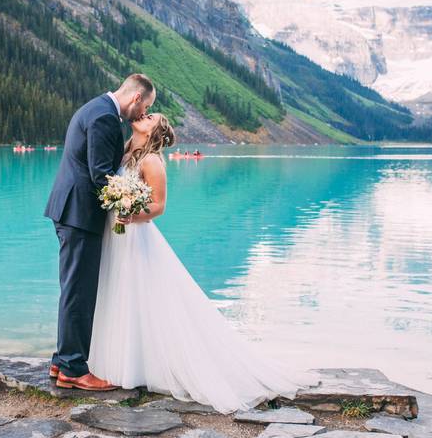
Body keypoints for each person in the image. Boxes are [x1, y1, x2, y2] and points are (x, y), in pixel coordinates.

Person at [87, 113, 320, 412]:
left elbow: (158, 206)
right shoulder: (127, 151)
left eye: (150, 117)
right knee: (119, 294)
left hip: (135, 236)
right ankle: (118, 361)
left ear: (155, 131)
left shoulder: (152, 162)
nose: (143, 116)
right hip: (117, 235)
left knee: (139, 296)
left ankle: (140, 367)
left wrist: (132, 215)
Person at [44, 74, 156, 390]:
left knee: (73, 288)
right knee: (79, 292)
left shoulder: (94, 107)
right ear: (136, 98)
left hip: (71, 211)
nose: (143, 114)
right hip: (80, 214)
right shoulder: (106, 118)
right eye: (145, 107)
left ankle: (61, 361)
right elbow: (100, 175)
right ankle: (73, 370)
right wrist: (129, 199)